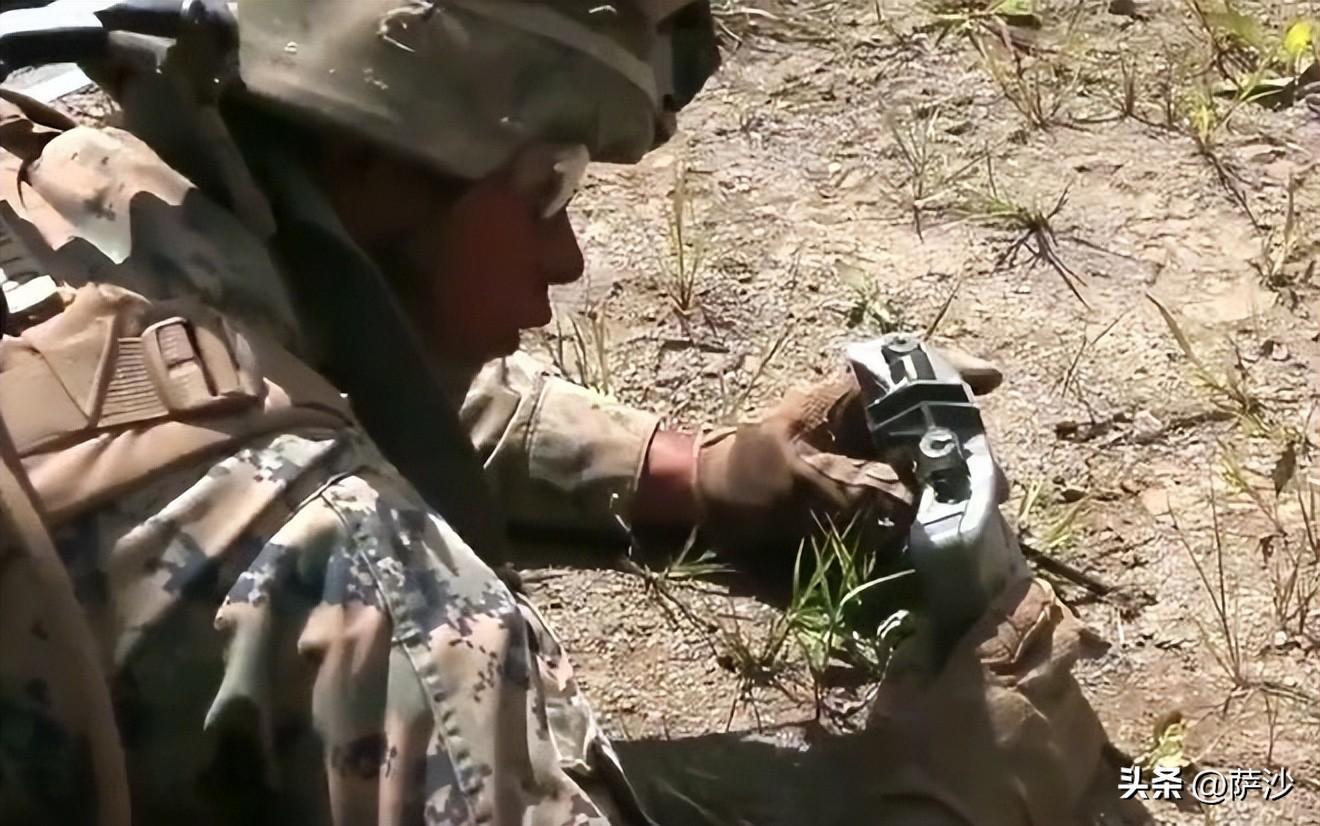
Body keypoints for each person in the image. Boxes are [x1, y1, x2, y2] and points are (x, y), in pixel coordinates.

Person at [0, 0, 1130, 824]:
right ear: (376, 153)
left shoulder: (68, 185)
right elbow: (268, 474)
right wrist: (962, 785)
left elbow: (282, 367)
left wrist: (692, 473)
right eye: (550, 185)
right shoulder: (365, 590)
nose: (568, 255)